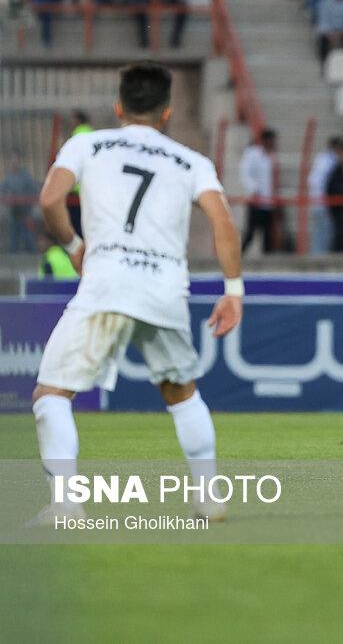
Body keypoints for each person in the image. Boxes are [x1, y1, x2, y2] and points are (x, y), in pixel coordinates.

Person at [28, 62, 243, 524]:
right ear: (166, 112)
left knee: (52, 393)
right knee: (182, 394)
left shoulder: (86, 143)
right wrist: (234, 290)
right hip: (163, 288)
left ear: (118, 105)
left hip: (106, 284)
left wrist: (74, 246)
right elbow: (223, 223)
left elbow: (50, 199)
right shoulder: (191, 162)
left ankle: (66, 504)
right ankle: (208, 497)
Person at [239, 128, 279, 253]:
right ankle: (239, 256)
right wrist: (254, 189)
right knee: (251, 232)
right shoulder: (252, 154)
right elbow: (244, 172)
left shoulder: (271, 156)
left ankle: (267, 262)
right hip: (256, 200)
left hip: (268, 201)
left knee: (267, 234)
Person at [2, 149, 41, 253]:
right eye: (11, 159)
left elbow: (33, 190)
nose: (13, 161)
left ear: (19, 160)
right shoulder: (9, 177)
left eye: (15, 158)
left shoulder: (26, 176)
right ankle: (12, 261)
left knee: (27, 237)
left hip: (25, 213)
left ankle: (33, 259)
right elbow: (3, 190)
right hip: (14, 212)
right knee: (13, 239)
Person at [306, 137, 340, 255]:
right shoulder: (330, 160)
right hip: (322, 200)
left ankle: (318, 254)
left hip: (319, 199)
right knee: (323, 230)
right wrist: (322, 199)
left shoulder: (323, 158)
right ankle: (318, 255)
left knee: (322, 229)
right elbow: (317, 180)